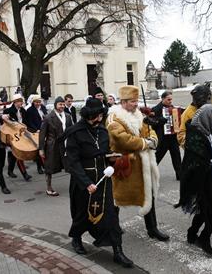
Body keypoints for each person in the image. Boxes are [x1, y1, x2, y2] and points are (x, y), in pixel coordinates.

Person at [66, 97, 133, 268]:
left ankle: (118, 252)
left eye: (100, 116)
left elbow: (105, 152)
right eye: (94, 117)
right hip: (84, 182)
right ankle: (77, 238)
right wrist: (86, 183)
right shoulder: (75, 132)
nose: (98, 120)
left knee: (111, 215)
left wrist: (113, 158)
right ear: (87, 116)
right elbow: (72, 162)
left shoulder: (102, 131)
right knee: (82, 214)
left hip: (103, 181)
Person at [107, 86, 169, 241]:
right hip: (126, 164)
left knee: (149, 193)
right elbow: (121, 138)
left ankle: (152, 228)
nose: (136, 104)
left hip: (144, 163)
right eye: (133, 101)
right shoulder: (114, 118)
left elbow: (149, 129)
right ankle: (112, 227)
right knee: (117, 198)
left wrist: (153, 139)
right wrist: (145, 143)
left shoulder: (139, 114)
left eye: (136, 101)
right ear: (123, 101)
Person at [176, 104, 212, 257]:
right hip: (202, 181)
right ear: (207, 118)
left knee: (205, 209)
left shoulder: (210, 132)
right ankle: (204, 238)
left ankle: (192, 233)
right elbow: (196, 163)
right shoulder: (195, 136)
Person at [39, 96, 72, 196]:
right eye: (60, 104)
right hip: (52, 145)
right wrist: (41, 149)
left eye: (63, 104)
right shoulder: (48, 117)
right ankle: (49, 188)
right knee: (49, 167)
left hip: (66, 144)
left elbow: (71, 130)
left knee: (72, 165)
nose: (62, 106)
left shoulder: (67, 116)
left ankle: (76, 185)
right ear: (55, 105)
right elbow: (42, 134)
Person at [151, 91, 181, 180]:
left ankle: (179, 175)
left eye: (171, 99)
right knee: (158, 157)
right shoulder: (155, 109)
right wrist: (160, 120)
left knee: (176, 156)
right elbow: (152, 123)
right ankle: (150, 173)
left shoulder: (173, 108)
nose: (170, 101)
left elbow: (177, 121)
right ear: (163, 99)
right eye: (168, 99)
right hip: (163, 138)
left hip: (172, 137)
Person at [3, 94, 32, 181]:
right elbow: (6, 123)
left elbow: (27, 121)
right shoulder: (8, 111)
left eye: (22, 102)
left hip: (21, 133)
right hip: (12, 134)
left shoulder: (23, 110)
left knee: (13, 154)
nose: (21, 103)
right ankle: (24, 174)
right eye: (20, 102)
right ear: (15, 102)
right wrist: (16, 124)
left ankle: (10, 171)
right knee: (18, 155)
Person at [26, 95, 47, 174]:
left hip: (44, 129)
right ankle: (39, 167)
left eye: (39, 102)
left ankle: (45, 164)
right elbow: (30, 122)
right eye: (36, 102)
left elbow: (46, 116)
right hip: (36, 131)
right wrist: (36, 129)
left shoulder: (43, 108)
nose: (38, 104)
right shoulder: (30, 110)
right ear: (33, 102)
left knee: (46, 148)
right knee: (39, 149)